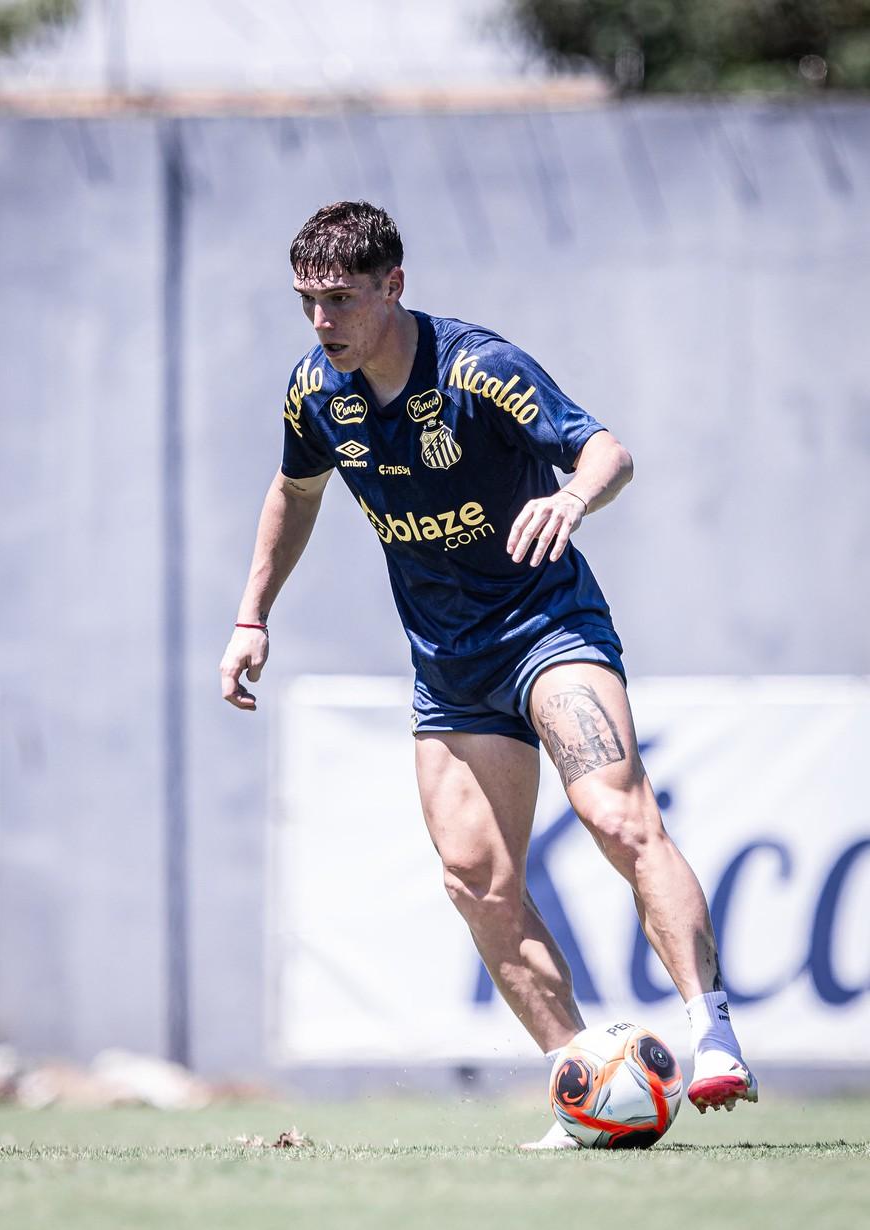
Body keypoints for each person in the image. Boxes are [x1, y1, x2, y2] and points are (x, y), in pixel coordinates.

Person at [219, 200, 757, 1147]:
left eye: (340, 299)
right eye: (307, 302)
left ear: (394, 284)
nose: (321, 322)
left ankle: (711, 1033)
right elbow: (293, 491)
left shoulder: (479, 367)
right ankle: (592, 1085)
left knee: (617, 816)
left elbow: (607, 450)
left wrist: (575, 498)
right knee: (475, 877)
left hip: (548, 627)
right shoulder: (314, 392)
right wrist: (252, 615)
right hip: (448, 664)